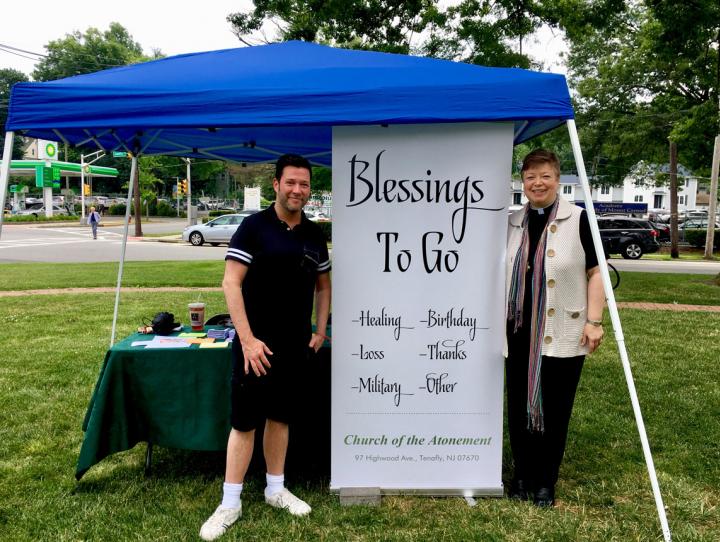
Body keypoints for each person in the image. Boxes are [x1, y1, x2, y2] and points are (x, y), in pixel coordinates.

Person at [200, 154, 331, 541]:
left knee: (281, 418)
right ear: (276, 184)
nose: (297, 190)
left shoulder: (313, 233)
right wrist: (247, 339)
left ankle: (276, 489)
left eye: (304, 184)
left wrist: (320, 330)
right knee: (244, 423)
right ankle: (230, 501)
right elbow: (230, 283)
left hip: (294, 345)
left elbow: (324, 286)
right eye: (291, 182)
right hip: (254, 346)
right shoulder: (253, 228)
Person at [505, 149, 605, 507]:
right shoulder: (513, 222)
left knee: (556, 409)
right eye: (530, 177)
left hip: (563, 331)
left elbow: (597, 274)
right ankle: (521, 475)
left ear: (557, 179)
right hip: (517, 334)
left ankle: (546, 480)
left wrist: (595, 322)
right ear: (522, 182)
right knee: (518, 406)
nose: (537, 183)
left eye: (545, 175)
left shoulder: (579, 220)